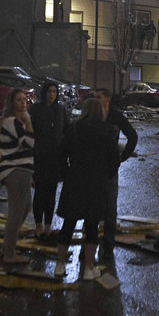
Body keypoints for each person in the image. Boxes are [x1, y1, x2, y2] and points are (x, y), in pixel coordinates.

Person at [53, 98, 118, 281]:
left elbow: (60, 153)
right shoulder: (108, 132)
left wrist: (66, 173)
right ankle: (89, 268)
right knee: (92, 226)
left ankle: (60, 265)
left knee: (68, 224)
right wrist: (106, 175)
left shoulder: (74, 129)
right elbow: (114, 160)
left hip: (75, 180)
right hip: (97, 183)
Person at [0, 89, 34, 264]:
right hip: (16, 170)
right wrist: (28, 122)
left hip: (23, 169)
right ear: (12, 103)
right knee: (17, 212)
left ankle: (7, 246)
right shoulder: (12, 122)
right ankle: (9, 254)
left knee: (26, 207)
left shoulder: (16, 121)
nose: (23, 103)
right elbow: (29, 143)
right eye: (19, 100)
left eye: (24, 99)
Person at [94, 88, 137, 263]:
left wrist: (122, 157)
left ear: (108, 99)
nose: (97, 100)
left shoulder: (115, 116)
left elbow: (132, 136)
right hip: (92, 168)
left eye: (100, 97)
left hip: (109, 169)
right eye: (95, 97)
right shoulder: (92, 115)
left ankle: (108, 246)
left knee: (110, 207)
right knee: (92, 207)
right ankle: (89, 244)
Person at [29, 81, 69, 237]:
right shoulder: (35, 110)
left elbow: (66, 130)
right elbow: (30, 131)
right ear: (44, 92)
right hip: (40, 157)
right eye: (49, 91)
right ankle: (38, 225)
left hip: (55, 158)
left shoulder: (60, 110)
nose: (51, 95)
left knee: (51, 193)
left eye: (54, 92)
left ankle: (48, 226)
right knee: (40, 192)